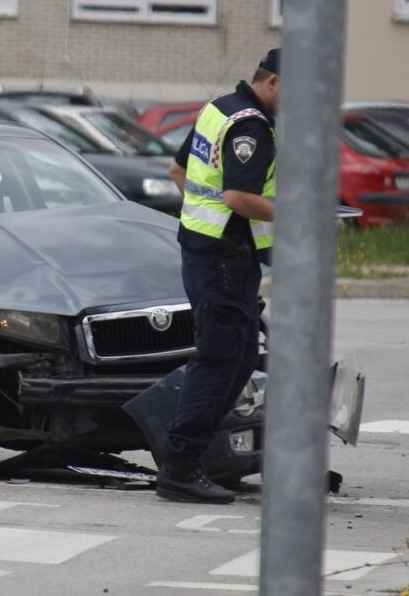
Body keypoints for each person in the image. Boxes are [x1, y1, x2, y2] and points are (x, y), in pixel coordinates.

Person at [157, 48, 280, 505]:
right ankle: (180, 466)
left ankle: (191, 456)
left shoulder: (220, 108)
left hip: (210, 252)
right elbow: (237, 196)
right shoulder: (252, 125)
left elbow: (177, 170)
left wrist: (202, 221)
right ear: (273, 83)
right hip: (224, 259)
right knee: (219, 359)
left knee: (242, 354)